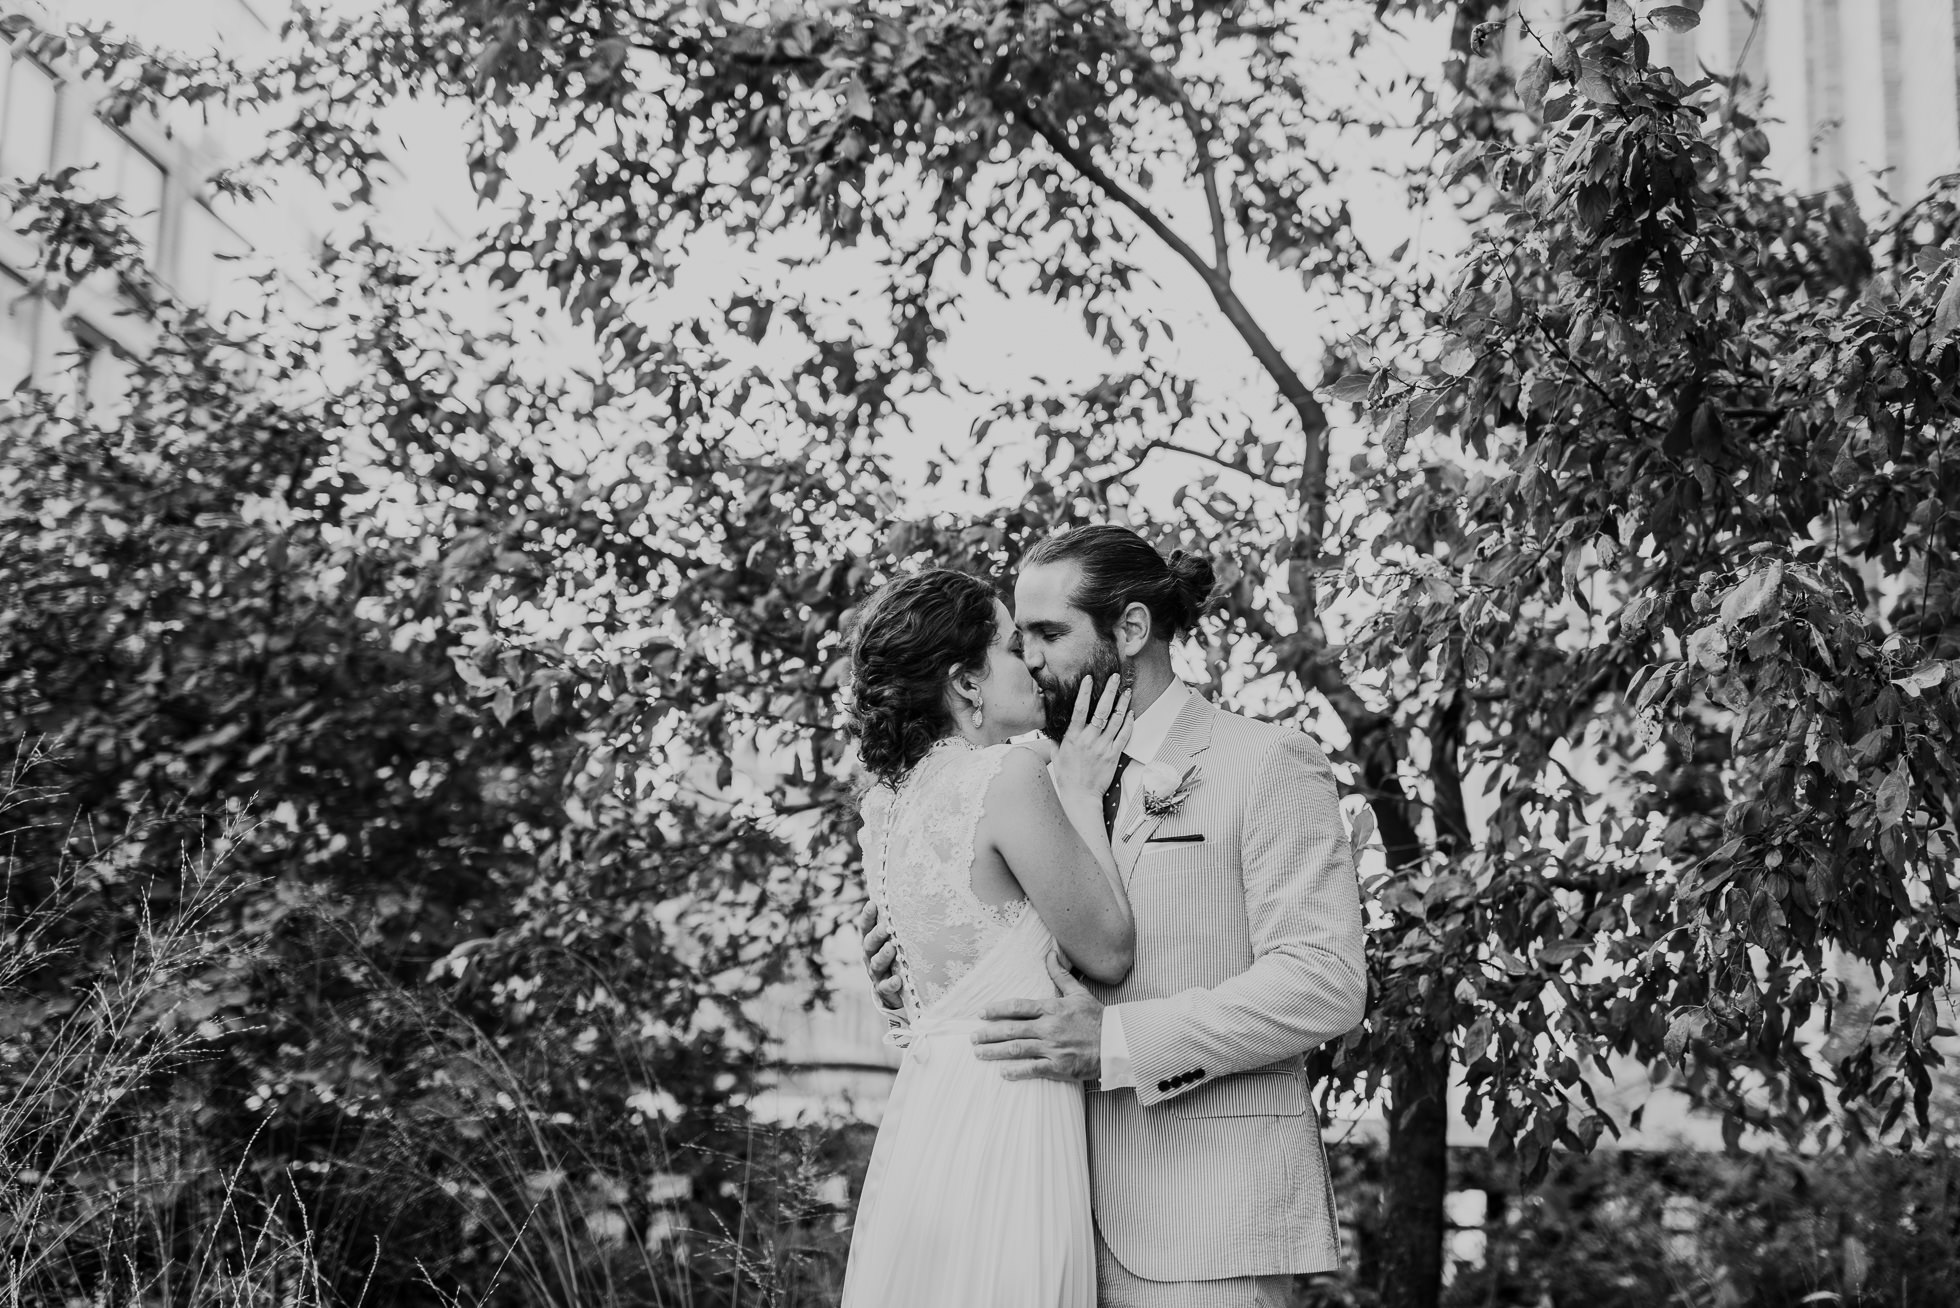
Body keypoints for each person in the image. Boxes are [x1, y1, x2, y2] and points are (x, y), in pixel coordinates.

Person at [861, 525, 1368, 1308]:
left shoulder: (1265, 763)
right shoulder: (1024, 776)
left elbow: (1323, 981)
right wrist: (916, 965)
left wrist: (1118, 1043)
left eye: (1048, 634)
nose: (1028, 658)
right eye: (1018, 638)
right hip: (1025, 1209)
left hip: (1198, 1222)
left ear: (1130, 629)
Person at [838, 567, 1139, 1308]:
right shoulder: (1007, 777)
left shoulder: (885, 804)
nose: (1031, 663)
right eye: (1011, 647)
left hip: (932, 1114)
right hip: (1010, 1114)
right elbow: (1107, 949)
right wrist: (1076, 791)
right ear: (966, 683)